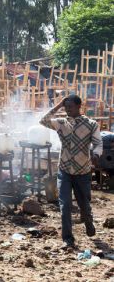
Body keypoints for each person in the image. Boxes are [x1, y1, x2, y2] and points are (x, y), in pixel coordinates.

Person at [39, 94, 102, 249]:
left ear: (79, 107)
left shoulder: (91, 124)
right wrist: (58, 105)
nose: (67, 110)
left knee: (84, 206)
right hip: (65, 170)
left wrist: (96, 154)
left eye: (70, 107)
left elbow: (98, 143)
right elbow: (43, 120)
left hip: (83, 172)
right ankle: (68, 239)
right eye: (65, 107)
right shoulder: (61, 123)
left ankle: (88, 222)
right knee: (65, 205)